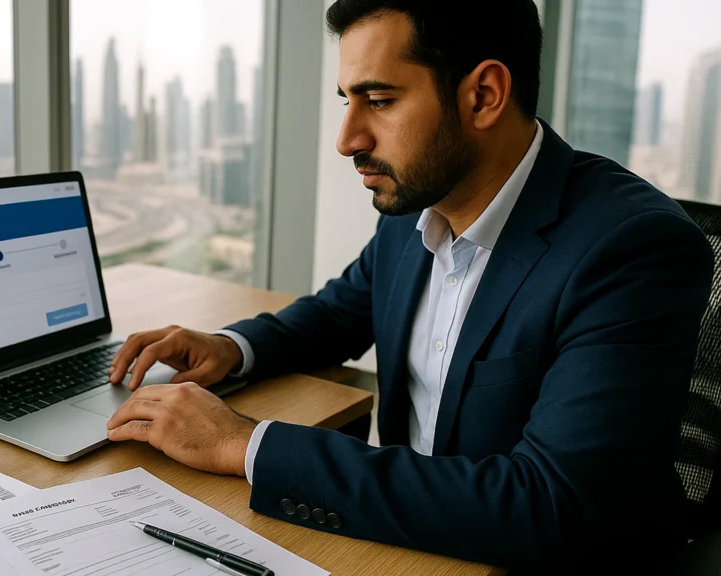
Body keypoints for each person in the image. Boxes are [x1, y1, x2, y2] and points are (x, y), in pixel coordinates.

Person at [104, 1, 715, 573]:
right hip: (413, 543)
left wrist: (244, 444)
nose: (347, 139)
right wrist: (231, 347)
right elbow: (341, 311)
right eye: (346, 100)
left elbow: (550, 504)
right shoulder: (417, 208)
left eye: (379, 100)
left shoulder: (632, 248)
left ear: (483, 95)